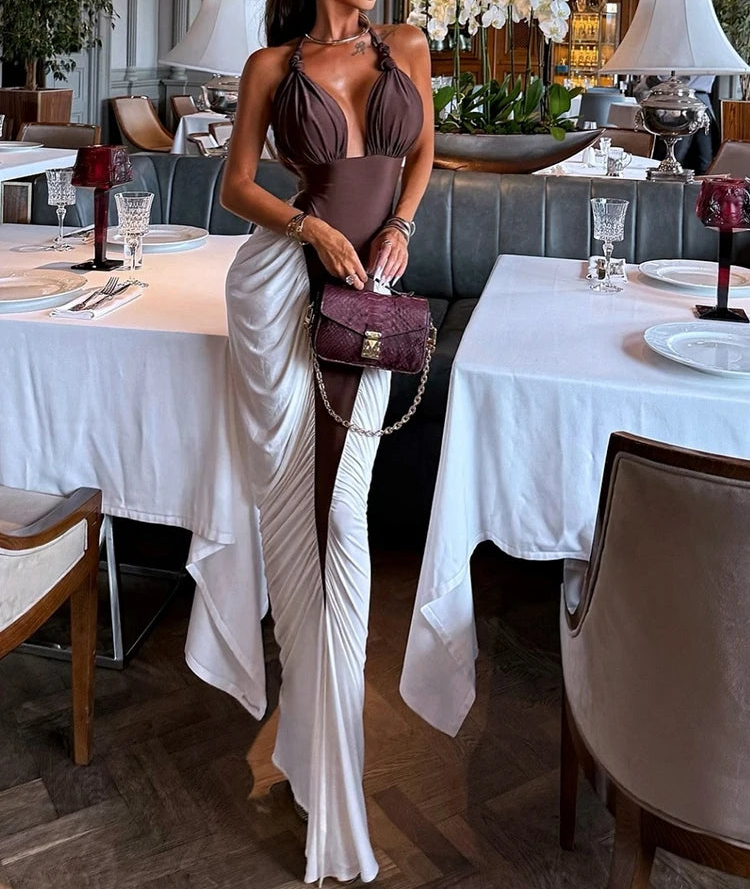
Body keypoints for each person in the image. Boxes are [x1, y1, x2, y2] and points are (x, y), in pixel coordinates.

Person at [219, 0, 433, 884]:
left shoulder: (410, 44)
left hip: (365, 308)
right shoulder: (273, 66)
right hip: (283, 295)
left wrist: (403, 226)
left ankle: (326, 760)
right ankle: (315, 759)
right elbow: (236, 186)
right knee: (300, 524)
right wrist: (305, 223)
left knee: (341, 520)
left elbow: (420, 152)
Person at [633, 74, 720, 174]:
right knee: (700, 159)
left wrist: (650, 81)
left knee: (683, 156)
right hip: (691, 100)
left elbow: (672, 77)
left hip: (683, 102)